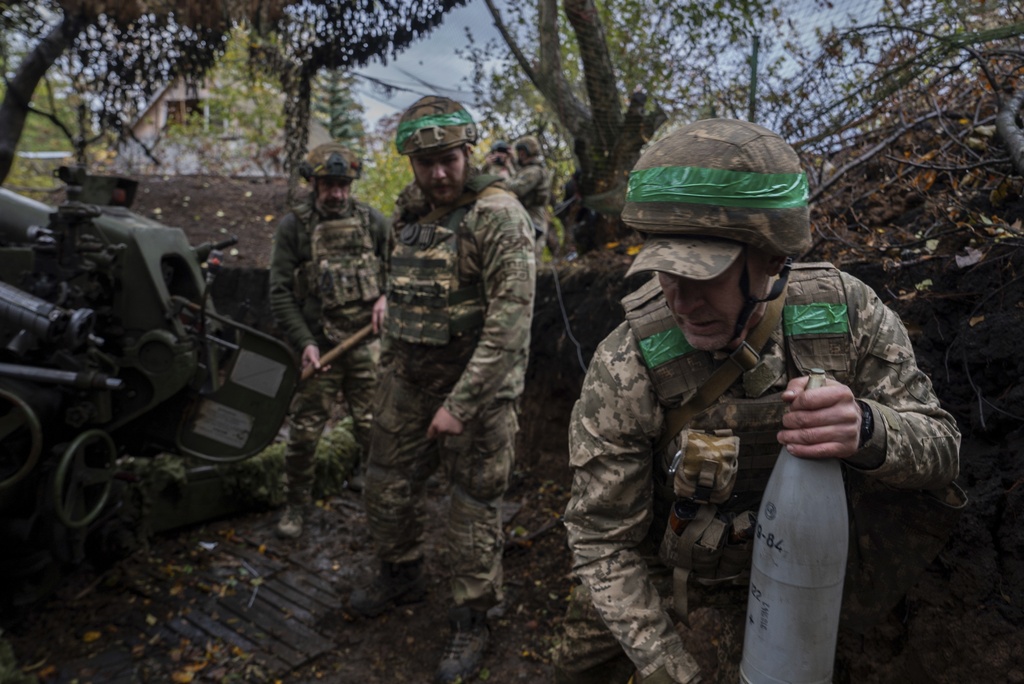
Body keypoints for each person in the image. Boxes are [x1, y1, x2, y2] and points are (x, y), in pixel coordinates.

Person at [552, 119, 962, 684]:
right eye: (662, 270)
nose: (679, 299)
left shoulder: (846, 316)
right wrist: (672, 669)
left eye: (704, 275)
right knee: (578, 665)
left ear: (773, 257)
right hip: (676, 583)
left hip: (808, 581)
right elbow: (601, 539)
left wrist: (869, 430)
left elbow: (943, 452)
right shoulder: (629, 362)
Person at [348, 96, 536, 684]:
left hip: (476, 391)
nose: (438, 174)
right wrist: (387, 298)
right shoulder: (408, 212)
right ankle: (400, 574)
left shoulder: (499, 216)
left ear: (467, 153)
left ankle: (471, 617)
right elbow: (404, 276)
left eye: (448, 159)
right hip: (407, 378)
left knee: (472, 508)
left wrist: (461, 403)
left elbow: (511, 321)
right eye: (425, 162)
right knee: (384, 483)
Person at [268, 143, 390, 539]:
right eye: (328, 185)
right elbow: (281, 291)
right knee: (304, 433)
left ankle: (376, 500)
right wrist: (305, 341)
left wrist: (387, 297)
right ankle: (295, 506)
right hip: (319, 347)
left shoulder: (372, 221)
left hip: (366, 345)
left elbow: (400, 270)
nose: (336, 193)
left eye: (343, 184)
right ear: (313, 183)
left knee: (373, 427)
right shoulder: (294, 227)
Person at [506, 134, 555, 258]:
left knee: (530, 258)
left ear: (525, 152)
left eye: (520, 152)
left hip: (534, 219)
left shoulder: (535, 171)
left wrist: (500, 180)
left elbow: (518, 188)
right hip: (526, 217)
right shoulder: (528, 170)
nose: (519, 155)